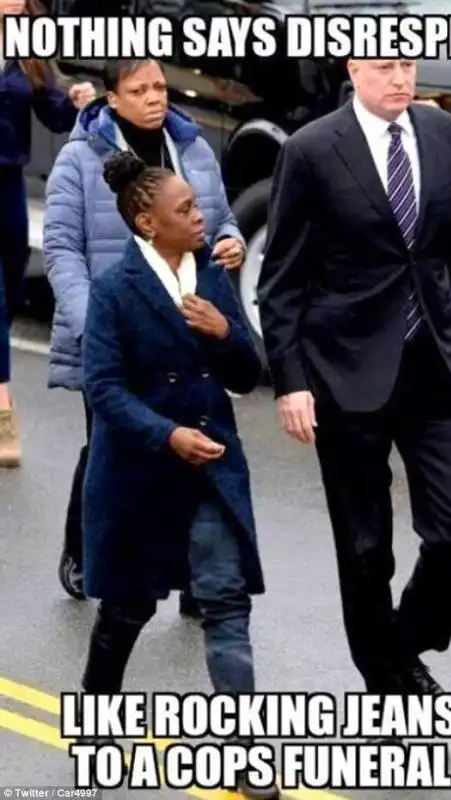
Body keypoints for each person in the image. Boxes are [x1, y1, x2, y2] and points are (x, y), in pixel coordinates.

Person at [257, 59, 451, 702]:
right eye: (385, 67)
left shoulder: (441, 134)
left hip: (436, 364)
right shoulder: (311, 151)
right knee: (365, 549)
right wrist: (291, 381)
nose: (400, 79)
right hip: (344, 371)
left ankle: (400, 645)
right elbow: (280, 282)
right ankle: (387, 680)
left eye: (408, 65)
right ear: (355, 69)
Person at [78, 150, 277, 800]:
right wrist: (166, 435)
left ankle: (245, 756)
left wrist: (225, 333)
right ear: (146, 222)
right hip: (142, 473)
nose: (202, 218)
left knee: (224, 605)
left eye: (197, 206)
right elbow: (102, 389)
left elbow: (245, 374)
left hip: (211, 468)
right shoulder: (113, 293)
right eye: (186, 209)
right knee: (128, 608)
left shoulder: (212, 278)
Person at [42, 58, 245, 609]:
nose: (155, 97)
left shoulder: (194, 150)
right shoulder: (79, 160)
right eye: (139, 89)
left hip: (184, 330)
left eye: (160, 86)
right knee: (114, 448)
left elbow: (222, 218)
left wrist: (230, 241)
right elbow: (61, 247)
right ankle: (86, 552)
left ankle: (194, 578)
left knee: (193, 447)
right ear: (113, 99)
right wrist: (95, 325)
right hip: (115, 334)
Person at [0, 0, 94, 468]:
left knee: (11, 287)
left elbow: (51, 112)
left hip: (8, 184)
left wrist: (74, 100)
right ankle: (2, 410)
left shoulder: (28, 47)